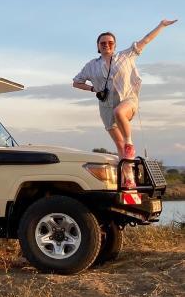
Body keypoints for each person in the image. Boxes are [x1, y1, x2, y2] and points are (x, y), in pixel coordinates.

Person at [73, 19, 177, 186]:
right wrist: (93, 90)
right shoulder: (91, 66)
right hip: (106, 105)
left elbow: (146, 40)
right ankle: (128, 179)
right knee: (119, 146)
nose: (106, 45)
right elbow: (76, 82)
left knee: (120, 115)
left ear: (114, 45)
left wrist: (161, 25)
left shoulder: (125, 56)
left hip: (127, 99)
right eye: (103, 43)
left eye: (110, 42)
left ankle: (130, 142)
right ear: (98, 46)